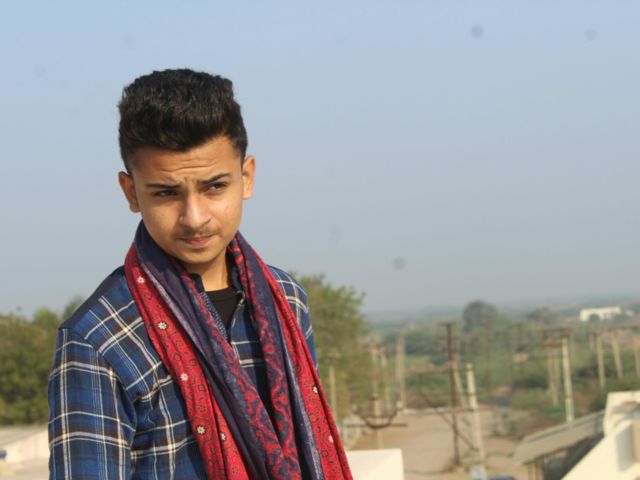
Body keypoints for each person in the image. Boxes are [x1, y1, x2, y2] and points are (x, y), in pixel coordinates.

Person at [48, 69, 352, 479]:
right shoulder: (99, 338)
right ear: (131, 192)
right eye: (166, 193)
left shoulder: (286, 298)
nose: (194, 217)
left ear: (246, 178)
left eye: (214, 187)